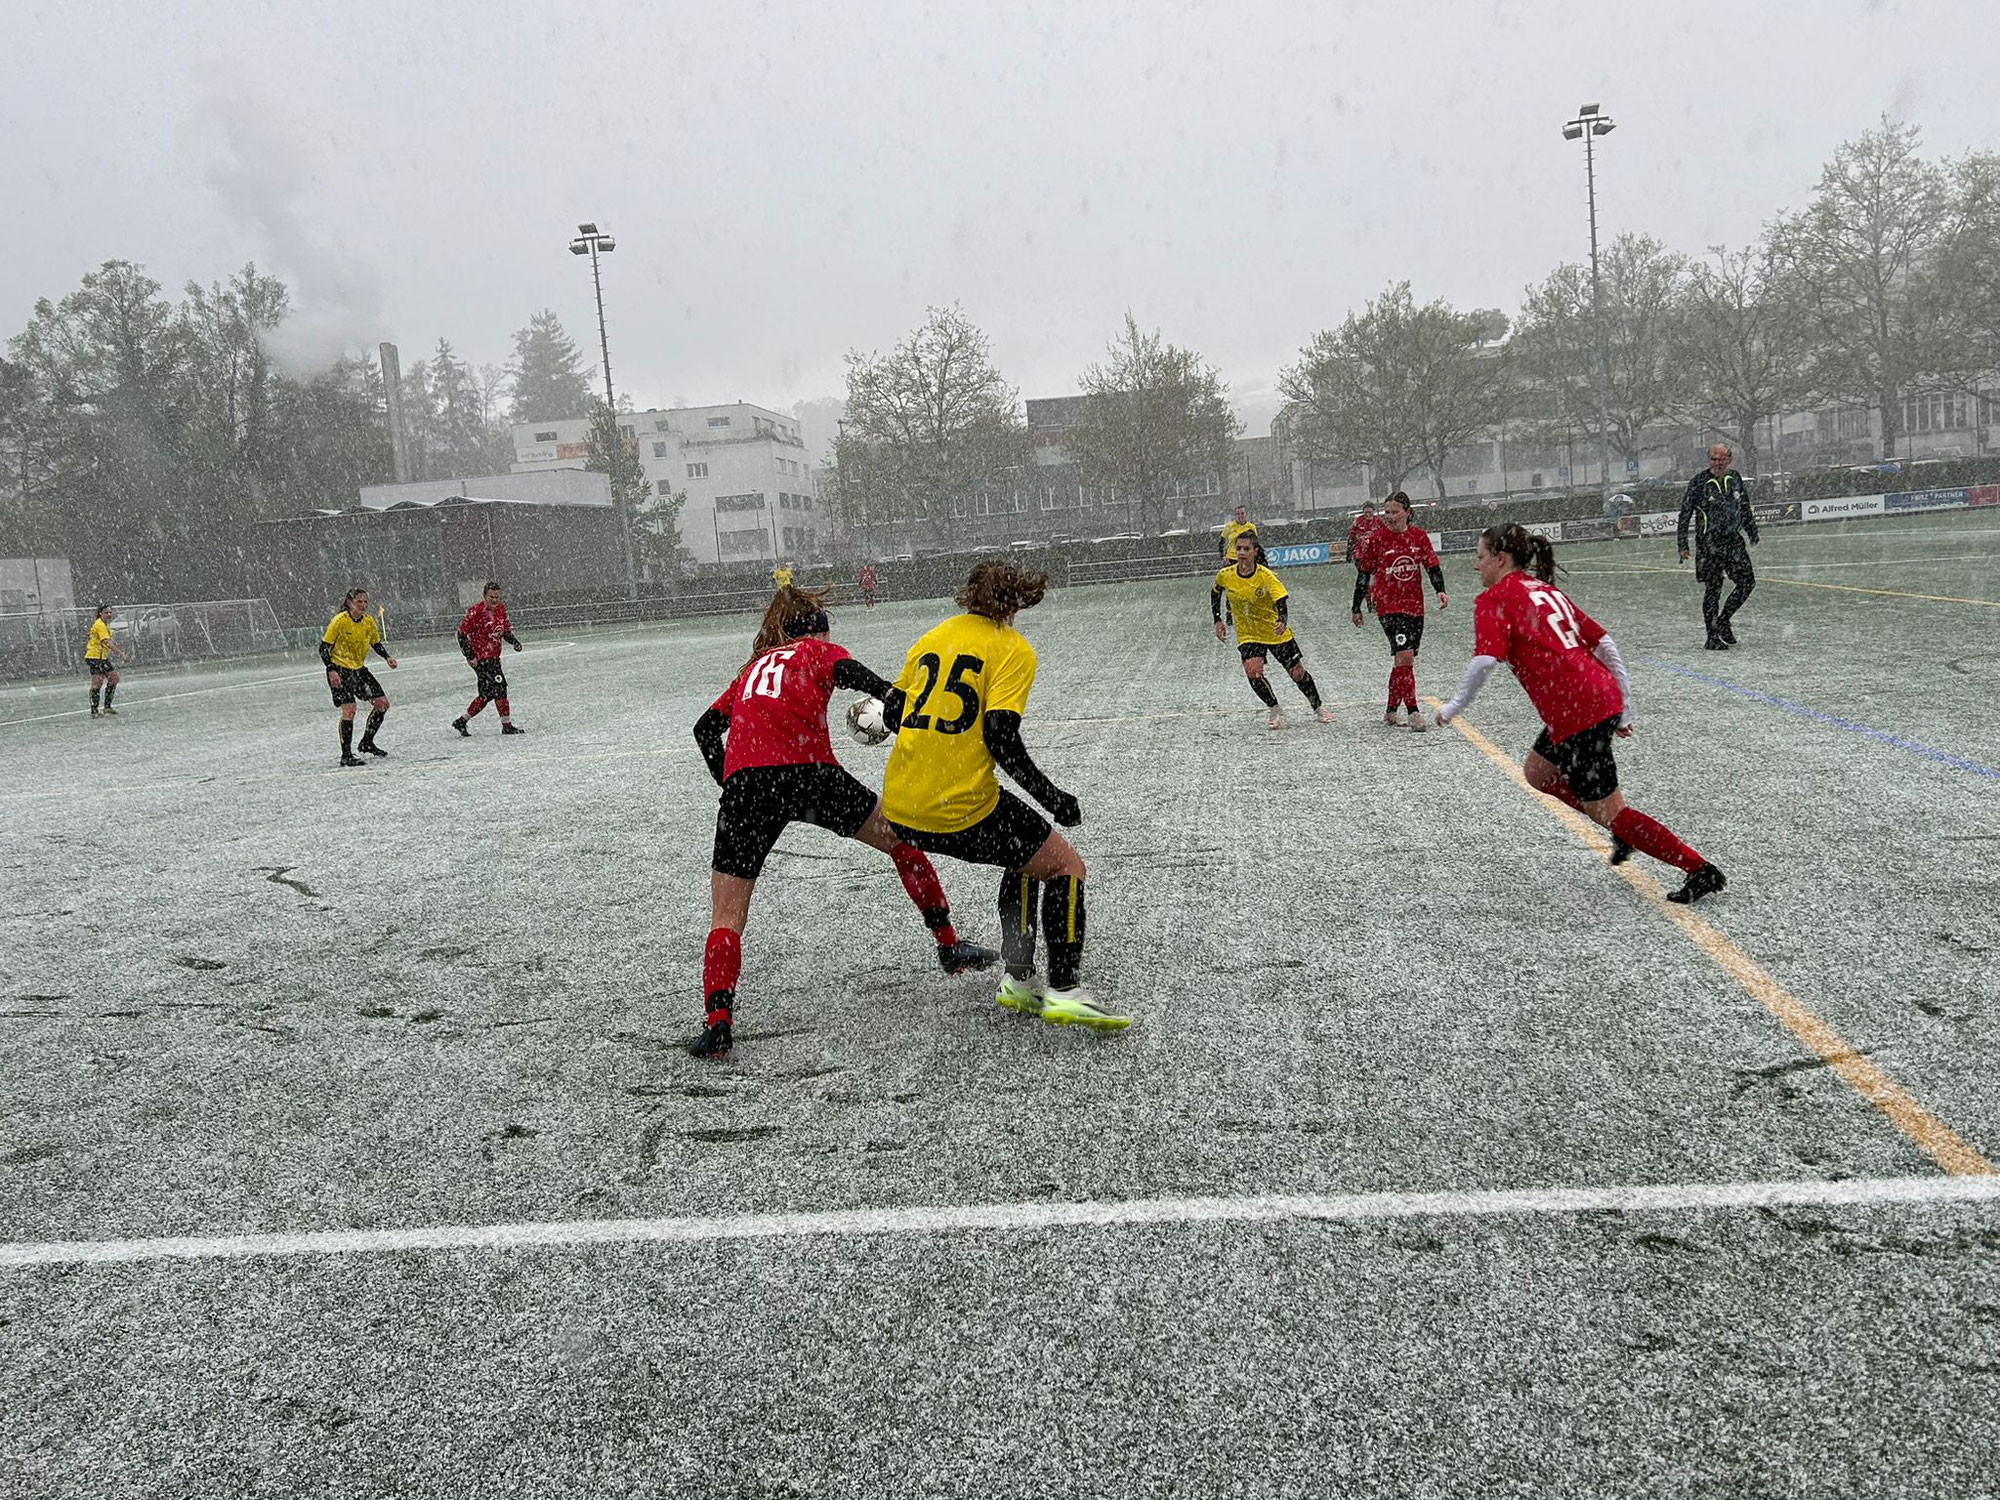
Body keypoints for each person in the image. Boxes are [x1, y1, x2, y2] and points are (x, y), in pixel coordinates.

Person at [688, 585, 998, 1059]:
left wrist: (730, 781)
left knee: (727, 916)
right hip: (813, 777)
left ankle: (718, 1023)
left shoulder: (752, 668)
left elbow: (705, 729)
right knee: (900, 839)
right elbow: (849, 672)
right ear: (819, 631)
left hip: (749, 790)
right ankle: (949, 945)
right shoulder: (818, 650)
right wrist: (892, 698)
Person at [879, 562, 1128, 1031]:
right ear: (1017, 601)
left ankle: (1018, 980)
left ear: (969, 595)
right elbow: (1001, 736)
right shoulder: (1012, 649)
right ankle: (1065, 989)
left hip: (901, 805)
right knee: (1066, 866)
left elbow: (892, 714)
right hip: (958, 807)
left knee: (1026, 854)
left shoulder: (931, 638)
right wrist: (1053, 797)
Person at [1434, 523, 1726, 905]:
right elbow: (1606, 645)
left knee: (1610, 811)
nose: (1477, 566)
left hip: (1579, 712)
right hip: (1589, 701)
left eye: (1480, 557)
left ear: (1500, 559)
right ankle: (1617, 824)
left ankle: (1698, 869)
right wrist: (1622, 707)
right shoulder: (1545, 590)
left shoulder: (1497, 598)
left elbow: (1485, 660)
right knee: (1538, 772)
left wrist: (1453, 708)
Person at [1211, 530, 1332, 730]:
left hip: (1274, 632)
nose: (1241, 553)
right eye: (1238, 548)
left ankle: (1318, 706)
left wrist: (1282, 620)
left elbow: (1281, 599)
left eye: (1246, 549)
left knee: (1297, 673)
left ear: (1255, 552)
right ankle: (1274, 707)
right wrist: (1217, 619)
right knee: (1253, 671)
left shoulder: (1265, 576)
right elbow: (1215, 592)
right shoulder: (1226, 575)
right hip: (1248, 634)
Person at [1351, 493, 1447, 731]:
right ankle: (1413, 712)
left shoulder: (1419, 537)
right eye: (1387, 512)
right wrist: (1356, 606)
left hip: (1415, 606)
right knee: (1405, 657)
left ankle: (1391, 710)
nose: (1390, 517)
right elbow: (1364, 574)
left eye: (1394, 512)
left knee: (1403, 661)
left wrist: (1440, 590)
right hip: (1389, 607)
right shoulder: (1377, 540)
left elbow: (1432, 565)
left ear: (1407, 512)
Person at [1677, 443, 1760, 651]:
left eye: (1721, 459)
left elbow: (1744, 507)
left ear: (1729, 460)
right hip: (1709, 544)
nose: (1717, 462)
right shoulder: (1699, 482)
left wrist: (1752, 532)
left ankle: (1724, 620)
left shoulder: (1736, 479)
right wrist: (1682, 544)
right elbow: (1685, 513)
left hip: (1733, 542)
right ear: (1708, 460)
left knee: (1747, 583)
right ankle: (1712, 636)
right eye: (1713, 458)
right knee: (1713, 589)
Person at [320, 587, 397, 767]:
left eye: (365, 602)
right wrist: (331, 670)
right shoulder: (339, 621)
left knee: (382, 704)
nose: (363, 605)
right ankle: (346, 755)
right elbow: (323, 648)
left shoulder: (368, 622)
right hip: (340, 669)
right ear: (349, 603)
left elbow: (375, 643)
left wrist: (387, 657)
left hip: (358, 670)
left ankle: (366, 743)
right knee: (349, 710)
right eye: (359, 602)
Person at [452, 581, 525, 737]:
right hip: (481, 659)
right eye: (491, 596)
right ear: (484, 596)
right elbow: (461, 634)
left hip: (493, 657)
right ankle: (506, 726)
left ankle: (462, 721)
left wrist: (514, 642)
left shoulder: (500, 609)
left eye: (497, 597)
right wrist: (470, 655)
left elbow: (504, 630)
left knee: (487, 694)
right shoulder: (475, 611)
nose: (494, 600)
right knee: (500, 688)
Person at [83, 604, 131, 718]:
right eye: (106, 612)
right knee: (97, 682)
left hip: (102, 658)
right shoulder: (99, 625)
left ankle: (107, 707)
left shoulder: (104, 625)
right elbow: (107, 642)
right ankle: (94, 711)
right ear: (100, 613)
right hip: (95, 657)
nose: (109, 614)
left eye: (110, 612)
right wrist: (121, 654)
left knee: (113, 678)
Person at [1345, 502, 1385, 609]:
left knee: (1378, 579)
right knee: (1364, 580)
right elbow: (1351, 536)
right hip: (1361, 556)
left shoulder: (1379, 521)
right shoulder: (1358, 521)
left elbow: (1385, 536)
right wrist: (1349, 552)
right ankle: (1369, 602)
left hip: (1376, 555)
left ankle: (1376, 600)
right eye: (1366, 512)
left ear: (1374, 511)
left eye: (1370, 512)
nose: (1368, 514)